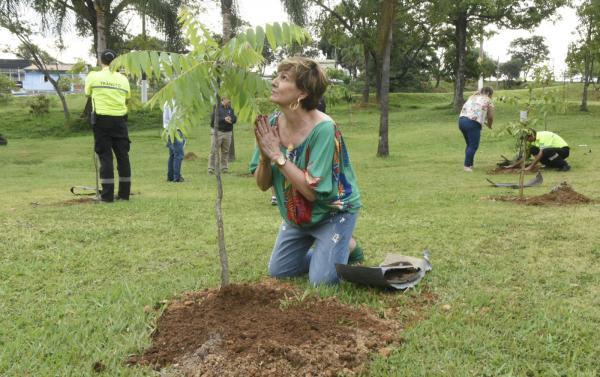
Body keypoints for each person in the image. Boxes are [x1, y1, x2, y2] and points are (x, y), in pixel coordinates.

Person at [254, 56, 362, 285]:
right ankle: (335, 251)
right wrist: (265, 157)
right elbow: (263, 184)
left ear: (302, 93)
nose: (274, 82)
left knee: (321, 282)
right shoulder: (272, 125)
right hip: (299, 217)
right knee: (279, 270)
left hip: (332, 213)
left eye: (284, 78)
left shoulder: (323, 129)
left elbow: (312, 192)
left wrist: (277, 156)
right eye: (277, 76)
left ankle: (348, 248)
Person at [84, 49, 131, 202]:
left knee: (105, 157)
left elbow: (87, 93)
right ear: (115, 62)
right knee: (123, 157)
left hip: (102, 120)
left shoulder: (93, 76)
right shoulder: (123, 79)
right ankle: (124, 195)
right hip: (120, 121)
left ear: (100, 61)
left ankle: (107, 196)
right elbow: (127, 97)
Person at [458, 87, 494, 172]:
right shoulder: (488, 100)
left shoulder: (472, 97)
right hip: (472, 123)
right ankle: (467, 166)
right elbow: (490, 117)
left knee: (469, 144)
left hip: (461, 121)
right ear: (490, 94)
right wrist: (489, 125)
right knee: (474, 145)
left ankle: (470, 164)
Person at [208, 97, 237, 174]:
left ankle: (224, 168)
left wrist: (231, 119)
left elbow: (234, 118)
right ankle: (211, 168)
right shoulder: (217, 107)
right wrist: (224, 119)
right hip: (218, 132)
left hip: (228, 132)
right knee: (213, 150)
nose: (229, 101)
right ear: (223, 100)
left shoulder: (230, 108)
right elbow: (213, 119)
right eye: (228, 99)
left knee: (225, 151)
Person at [163, 99, 185, 182]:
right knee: (179, 155)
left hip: (169, 130)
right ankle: (177, 177)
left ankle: (171, 176)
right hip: (175, 130)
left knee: (172, 154)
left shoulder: (167, 102)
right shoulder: (175, 103)